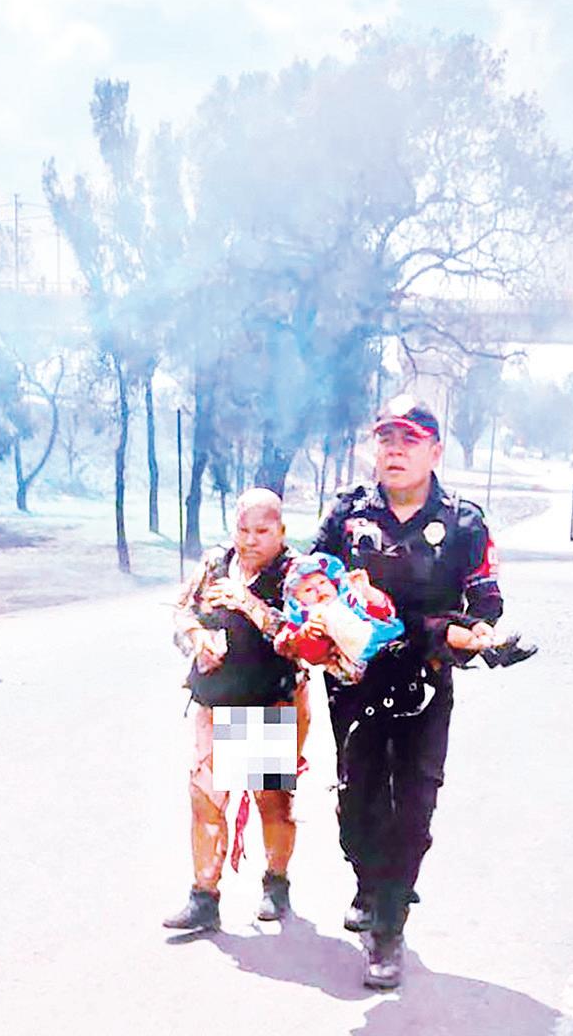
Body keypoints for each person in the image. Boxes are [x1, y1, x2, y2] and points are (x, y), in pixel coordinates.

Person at [313, 395, 506, 989]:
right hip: (355, 681)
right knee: (358, 801)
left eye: (410, 441)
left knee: (414, 805)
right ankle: (368, 883)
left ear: (435, 452)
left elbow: (486, 599)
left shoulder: (464, 523)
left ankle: (389, 928)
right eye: (386, 440)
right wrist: (321, 609)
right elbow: (310, 577)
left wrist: (480, 633)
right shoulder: (348, 514)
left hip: (424, 680)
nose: (395, 451)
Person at [163, 488, 310, 932]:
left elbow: (303, 637)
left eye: (262, 531)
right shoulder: (216, 563)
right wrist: (197, 640)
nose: (249, 540)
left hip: (264, 700)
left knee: (271, 803)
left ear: (281, 530)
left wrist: (249, 604)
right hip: (214, 698)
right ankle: (203, 896)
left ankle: (276, 883)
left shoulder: (295, 574)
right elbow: (182, 612)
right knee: (205, 802)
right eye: (243, 529)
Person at [274, 552, 405, 682]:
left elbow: (384, 613)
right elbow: (287, 644)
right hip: (358, 672)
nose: (319, 590)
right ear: (297, 601)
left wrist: (368, 592)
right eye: (308, 590)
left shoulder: (351, 600)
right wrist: (305, 635)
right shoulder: (304, 622)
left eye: (322, 582)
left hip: (387, 646)